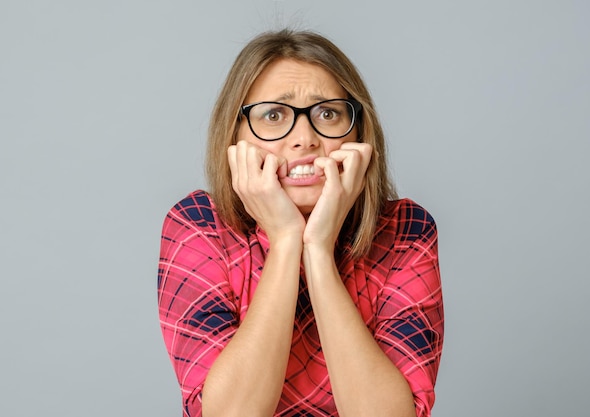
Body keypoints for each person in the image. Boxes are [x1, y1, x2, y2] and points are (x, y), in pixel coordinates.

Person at [157, 29, 444, 417]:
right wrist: (287, 239)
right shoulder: (198, 225)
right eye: (274, 115)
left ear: (358, 131)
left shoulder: (406, 231)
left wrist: (320, 253)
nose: (304, 139)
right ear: (235, 134)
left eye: (328, 113)